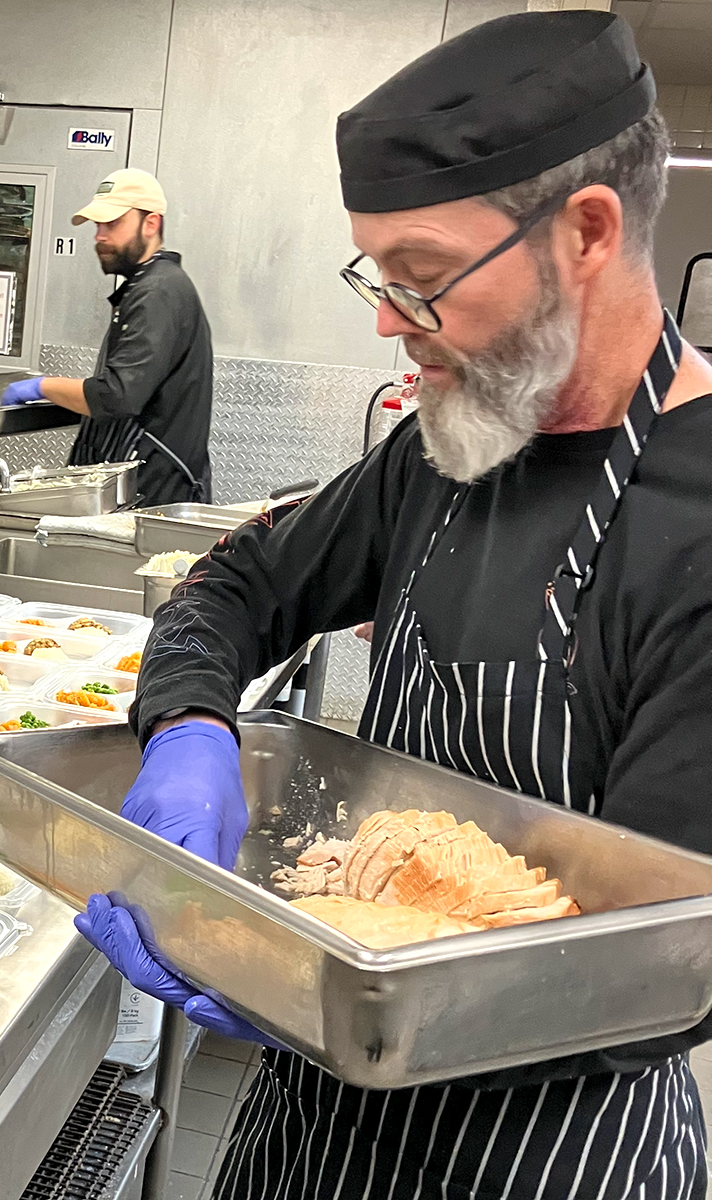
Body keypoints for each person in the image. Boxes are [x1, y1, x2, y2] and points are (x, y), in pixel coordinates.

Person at [77, 12, 712, 1198]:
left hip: (541, 1155)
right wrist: (191, 728)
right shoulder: (447, 447)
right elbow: (239, 580)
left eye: (419, 283)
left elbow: (652, 981)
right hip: (310, 1132)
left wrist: (298, 977)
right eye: (378, 278)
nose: (384, 323)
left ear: (585, 234)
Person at [0, 169, 214, 506]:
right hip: (135, 484)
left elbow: (118, 396)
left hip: (152, 493)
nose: (100, 235)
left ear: (151, 224)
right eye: (97, 226)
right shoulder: (149, 285)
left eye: (112, 224)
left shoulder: (158, 291)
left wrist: (42, 387)